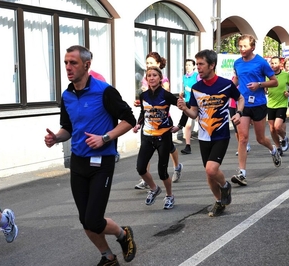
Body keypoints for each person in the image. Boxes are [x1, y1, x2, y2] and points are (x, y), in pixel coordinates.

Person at [44, 45, 137, 265]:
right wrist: (57, 138)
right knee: (85, 219)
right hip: (78, 162)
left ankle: (123, 234)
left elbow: (129, 120)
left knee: (94, 219)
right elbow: (67, 127)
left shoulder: (105, 91)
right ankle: (108, 257)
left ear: (87, 65)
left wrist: (105, 138)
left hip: (101, 161)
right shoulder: (67, 95)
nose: (68, 67)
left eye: (73, 62)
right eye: (66, 62)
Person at [177, 49, 244, 217]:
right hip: (203, 135)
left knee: (212, 169)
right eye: (197, 64)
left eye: (201, 64)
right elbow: (194, 113)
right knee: (209, 173)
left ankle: (225, 186)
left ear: (212, 65)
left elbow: (240, 98)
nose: (198, 67)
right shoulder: (196, 88)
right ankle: (219, 201)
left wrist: (239, 113)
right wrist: (184, 108)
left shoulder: (226, 84)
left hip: (221, 134)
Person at [133, 66, 186, 209]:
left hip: (164, 136)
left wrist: (180, 126)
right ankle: (154, 189)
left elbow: (185, 109)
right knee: (140, 168)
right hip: (147, 136)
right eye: (149, 75)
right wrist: (138, 125)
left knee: (162, 171)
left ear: (160, 78)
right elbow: (144, 113)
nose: (151, 78)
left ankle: (169, 196)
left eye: (154, 75)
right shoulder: (143, 95)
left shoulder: (166, 95)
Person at [231, 34, 281, 187]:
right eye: (240, 46)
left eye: (245, 46)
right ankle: (242, 173)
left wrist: (259, 84)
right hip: (243, 104)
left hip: (258, 104)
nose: (242, 49)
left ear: (252, 47)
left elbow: (274, 82)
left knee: (260, 139)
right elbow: (237, 79)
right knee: (243, 137)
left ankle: (273, 150)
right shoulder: (237, 63)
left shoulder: (261, 62)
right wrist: (232, 86)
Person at [267, 56, 289, 156]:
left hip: (282, 103)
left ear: (280, 64)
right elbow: (264, 86)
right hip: (270, 104)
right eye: (272, 63)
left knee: (277, 127)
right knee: (272, 129)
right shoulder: (267, 75)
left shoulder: (286, 75)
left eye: (275, 63)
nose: (273, 65)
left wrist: (288, 92)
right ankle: (278, 147)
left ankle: (284, 138)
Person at [180, 59, 200, 155]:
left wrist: (191, 89)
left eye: (189, 65)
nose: (187, 67)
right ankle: (188, 146)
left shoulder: (197, 76)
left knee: (201, 122)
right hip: (188, 102)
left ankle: (207, 140)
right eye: (186, 65)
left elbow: (201, 87)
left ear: (193, 67)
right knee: (187, 126)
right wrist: (183, 93)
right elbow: (185, 90)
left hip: (198, 102)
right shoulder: (184, 77)